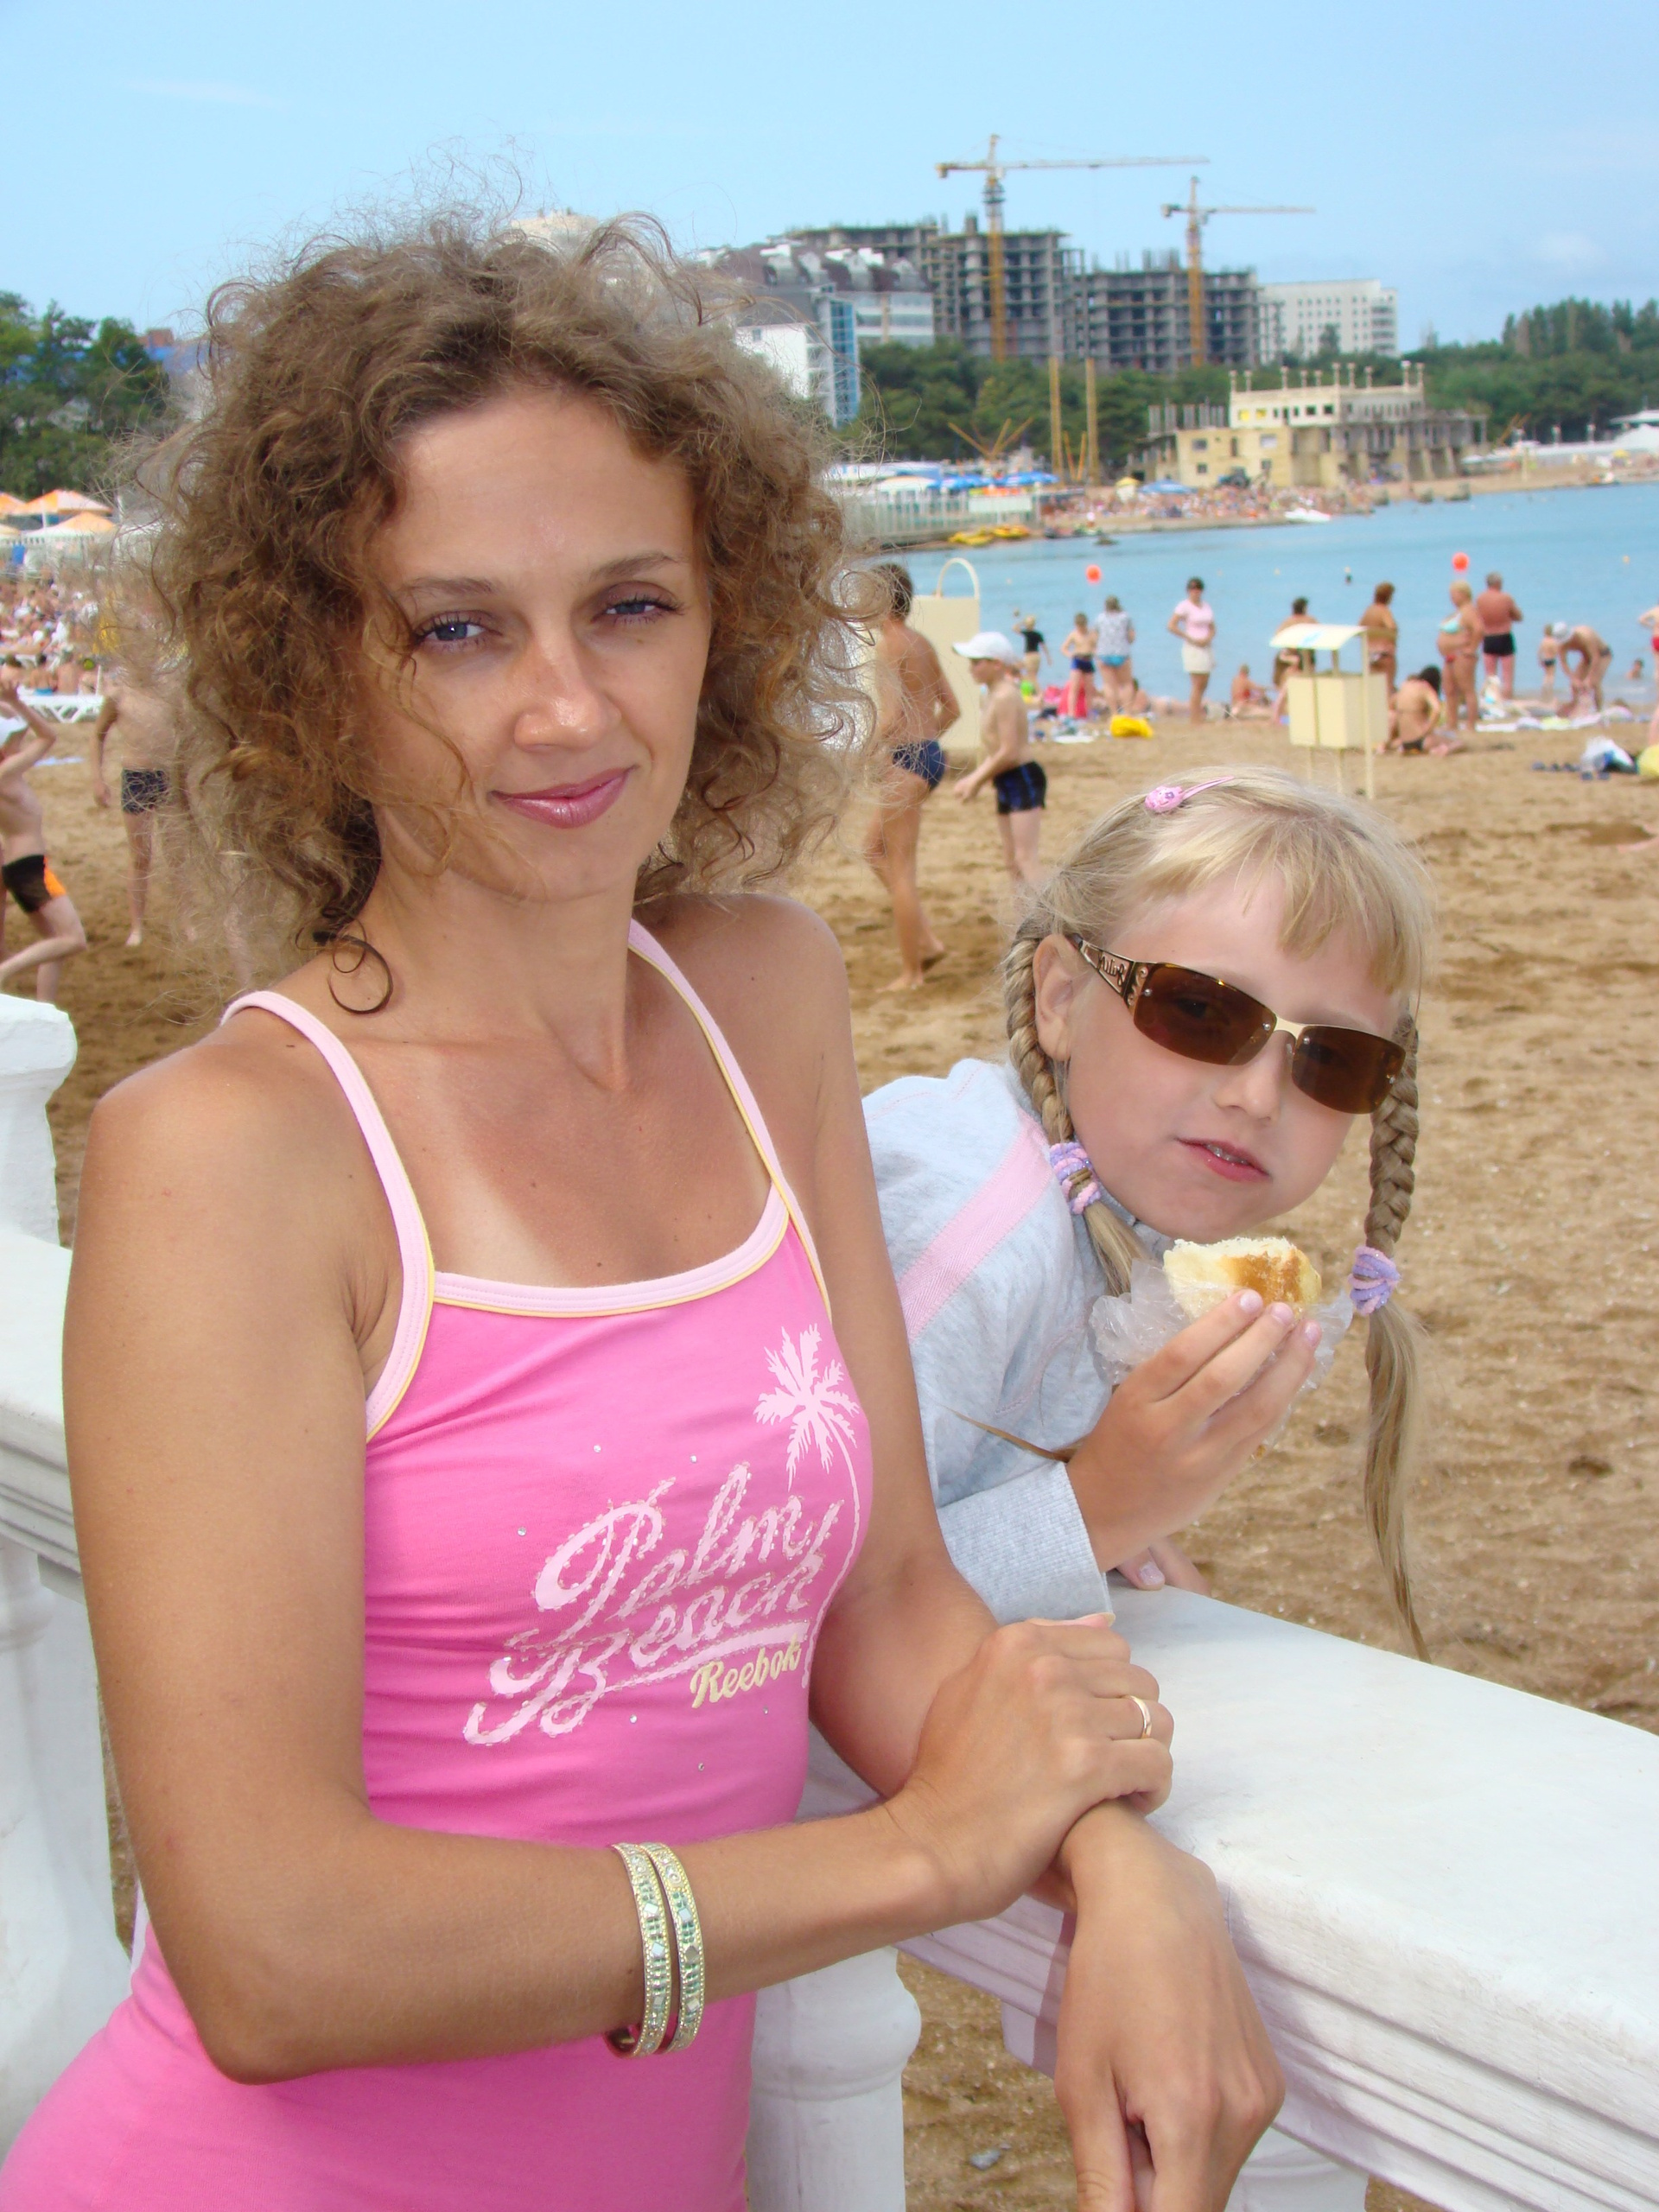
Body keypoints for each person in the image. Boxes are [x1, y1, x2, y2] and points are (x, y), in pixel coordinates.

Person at [0, 217, 1280, 2212]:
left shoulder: (759, 995)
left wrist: (1112, 1852)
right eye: (456, 627)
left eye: (628, 605)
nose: (568, 707)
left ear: (724, 620)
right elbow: (269, 1949)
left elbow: (883, 1592)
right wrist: (916, 1855)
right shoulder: (237, 1151)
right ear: (313, 673)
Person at [861, 769, 1433, 2203]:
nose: (1257, 1091)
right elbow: (791, 1608)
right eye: (1199, 1010)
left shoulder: (1114, 1208)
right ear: (1062, 997)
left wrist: (1100, 1541)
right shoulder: (968, 1229)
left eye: (1331, 1062)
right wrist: (1098, 1506)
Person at [861, 561, 958, 990]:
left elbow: (891, 717)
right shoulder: (922, 642)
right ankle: (928, 941)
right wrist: (926, 743)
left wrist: (861, 757)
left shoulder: (889, 647)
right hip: (928, 756)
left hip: (907, 759)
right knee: (873, 850)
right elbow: (951, 708)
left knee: (900, 872)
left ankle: (911, 973)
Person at [0, 673, 88, 1001]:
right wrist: (17, 703)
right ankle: (5, 971)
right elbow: (48, 736)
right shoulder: (6, 774)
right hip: (30, 868)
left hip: (19, 866)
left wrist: (8, 704)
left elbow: (21, 730)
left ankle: (45, 1009)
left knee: (54, 942)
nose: (19, 741)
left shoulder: (8, 772)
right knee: (74, 939)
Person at [951, 629, 1046, 886]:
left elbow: (1010, 751)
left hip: (1022, 776)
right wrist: (977, 779)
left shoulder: (1006, 695)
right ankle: (1023, 911)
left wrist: (975, 780)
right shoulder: (990, 694)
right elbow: (996, 750)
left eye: (976, 662)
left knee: (1026, 858)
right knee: (1012, 860)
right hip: (1006, 777)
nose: (971, 668)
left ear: (996, 664)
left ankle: (1050, 909)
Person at [92, 671, 176, 947]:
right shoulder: (119, 695)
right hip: (136, 775)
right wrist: (97, 778)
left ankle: (187, 921)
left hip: (169, 774)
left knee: (178, 855)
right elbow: (97, 735)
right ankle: (137, 926)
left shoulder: (171, 689)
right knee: (140, 856)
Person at [1436, 582, 1482, 737]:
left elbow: (1479, 629)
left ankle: (1471, 724)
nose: (1452, 598)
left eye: (1454, 595)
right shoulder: (1458, 612)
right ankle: (1452, 722)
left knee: (1467, 688)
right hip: (1449, 656)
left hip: (1461, 655)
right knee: (1449, 689)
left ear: (1463, 594)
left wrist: (1471, 648)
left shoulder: (1469, 611)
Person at [1168, 577, 1216, 722]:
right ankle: (1195, 718)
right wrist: (1189, 638)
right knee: (1197, 683)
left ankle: (1198, 713)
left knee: (1205, 682)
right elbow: (1172, 625)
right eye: (1193, 589)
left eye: (1198, 588)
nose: (1195, 591)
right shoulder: (1184, 606)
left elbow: (1212, 627)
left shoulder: (1206, 606)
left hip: (1205, 646)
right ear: (1188, 590)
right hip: (1193, 647)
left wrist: (1208, 638)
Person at [1474, 572, 1523, 700]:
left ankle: (1492, 700)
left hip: (1488, 638)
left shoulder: (1480, 599)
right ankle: (1507, 700)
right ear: (1498, 583)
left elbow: (1477, 618)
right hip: (1504, 636)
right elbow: (1519, 616)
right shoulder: (1506, 598)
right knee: (1507, 675)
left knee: (1490, 676)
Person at [1387, 666, 1445, 754]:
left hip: (1404, 742)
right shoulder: (1425, 687)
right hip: (1421, 740)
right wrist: (1429, 728)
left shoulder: (1405, 686)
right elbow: (1437, 710)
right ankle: (1443, 750)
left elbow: (1391, 704)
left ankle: (1388, 746)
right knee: (1458, 743)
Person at [1560, 623, 1612, 718]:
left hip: (1602, 655)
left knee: (1594, 683)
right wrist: (1573, 679)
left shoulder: (1585, 637)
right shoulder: (1561, 643)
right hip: (1586, 658)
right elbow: (1563, 662)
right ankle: (1575, 708)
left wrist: (1589, 678)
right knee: (1575, 684)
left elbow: (1595, 657)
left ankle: (1599, 710)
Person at [1357, 582, 1398, 696]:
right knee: (1387, 687)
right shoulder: (1384, 610)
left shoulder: (1369, 611)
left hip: (1370, 653)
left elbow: (1360, 628)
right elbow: (1392, 627)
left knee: (1373, 687)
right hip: (1384, 653)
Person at [1096, 595, 1135, 712]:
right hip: (1122, 653)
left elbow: (1096, 636)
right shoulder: (1125, 617)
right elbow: (1131, 637)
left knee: (1108, 685)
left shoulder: (1100, 618)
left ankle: (1114, 713)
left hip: (1104, 653)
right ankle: (1127, 712)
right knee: (1126, 684)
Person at [1061, 610, 1098, 720]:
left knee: (1089, 689)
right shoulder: (1073, 634)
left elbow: (1097, 646)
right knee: (1074, 688)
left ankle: (1089, 713)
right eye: (1079, 626)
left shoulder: (1092, 633)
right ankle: (1071, 713)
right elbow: (1064, 648)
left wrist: (1095, 652)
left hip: (1088, 660)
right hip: (1077, 660)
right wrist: (1070, 655)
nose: (1081, 628)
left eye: (1083, 626)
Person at [1012, 610, 1048, 693]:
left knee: (1029, 676)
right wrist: (1048, 658)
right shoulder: (1038, 634)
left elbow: (1014, 628)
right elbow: (1044, 647)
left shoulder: (1027, 633)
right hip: (1037, 657)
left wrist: (1022, 622)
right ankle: (1034, 691)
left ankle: (1039, 693)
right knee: (1032, 676)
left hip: (1029, 657)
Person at [1538, 622, 1567, 702]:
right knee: (1551, 676)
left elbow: (1539, 652)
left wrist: (1540, 660)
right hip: (1551, 659)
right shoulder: (1553, 641)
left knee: (1546, 675)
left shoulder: (1543, 641)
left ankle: (1544, 690)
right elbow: (1556, 651)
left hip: (1545, 659)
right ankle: (1550, 691)